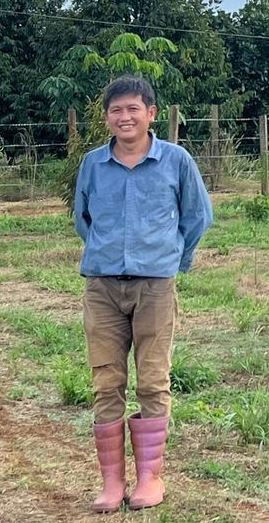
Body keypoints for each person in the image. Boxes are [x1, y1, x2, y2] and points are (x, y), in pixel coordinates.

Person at [74, 75, 213, 512]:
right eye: (116, 110)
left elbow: (197, 217)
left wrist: (172, 262)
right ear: (106, 117)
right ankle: (112, 482)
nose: (125, 117)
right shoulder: (93, 164)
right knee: (106, 382)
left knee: (153, 380)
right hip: (102, 287)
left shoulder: (176, 160)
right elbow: (83, 219)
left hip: (155, 287)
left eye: (133, 108)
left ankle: (150, 478)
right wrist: (107, 252)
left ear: (151, 114)